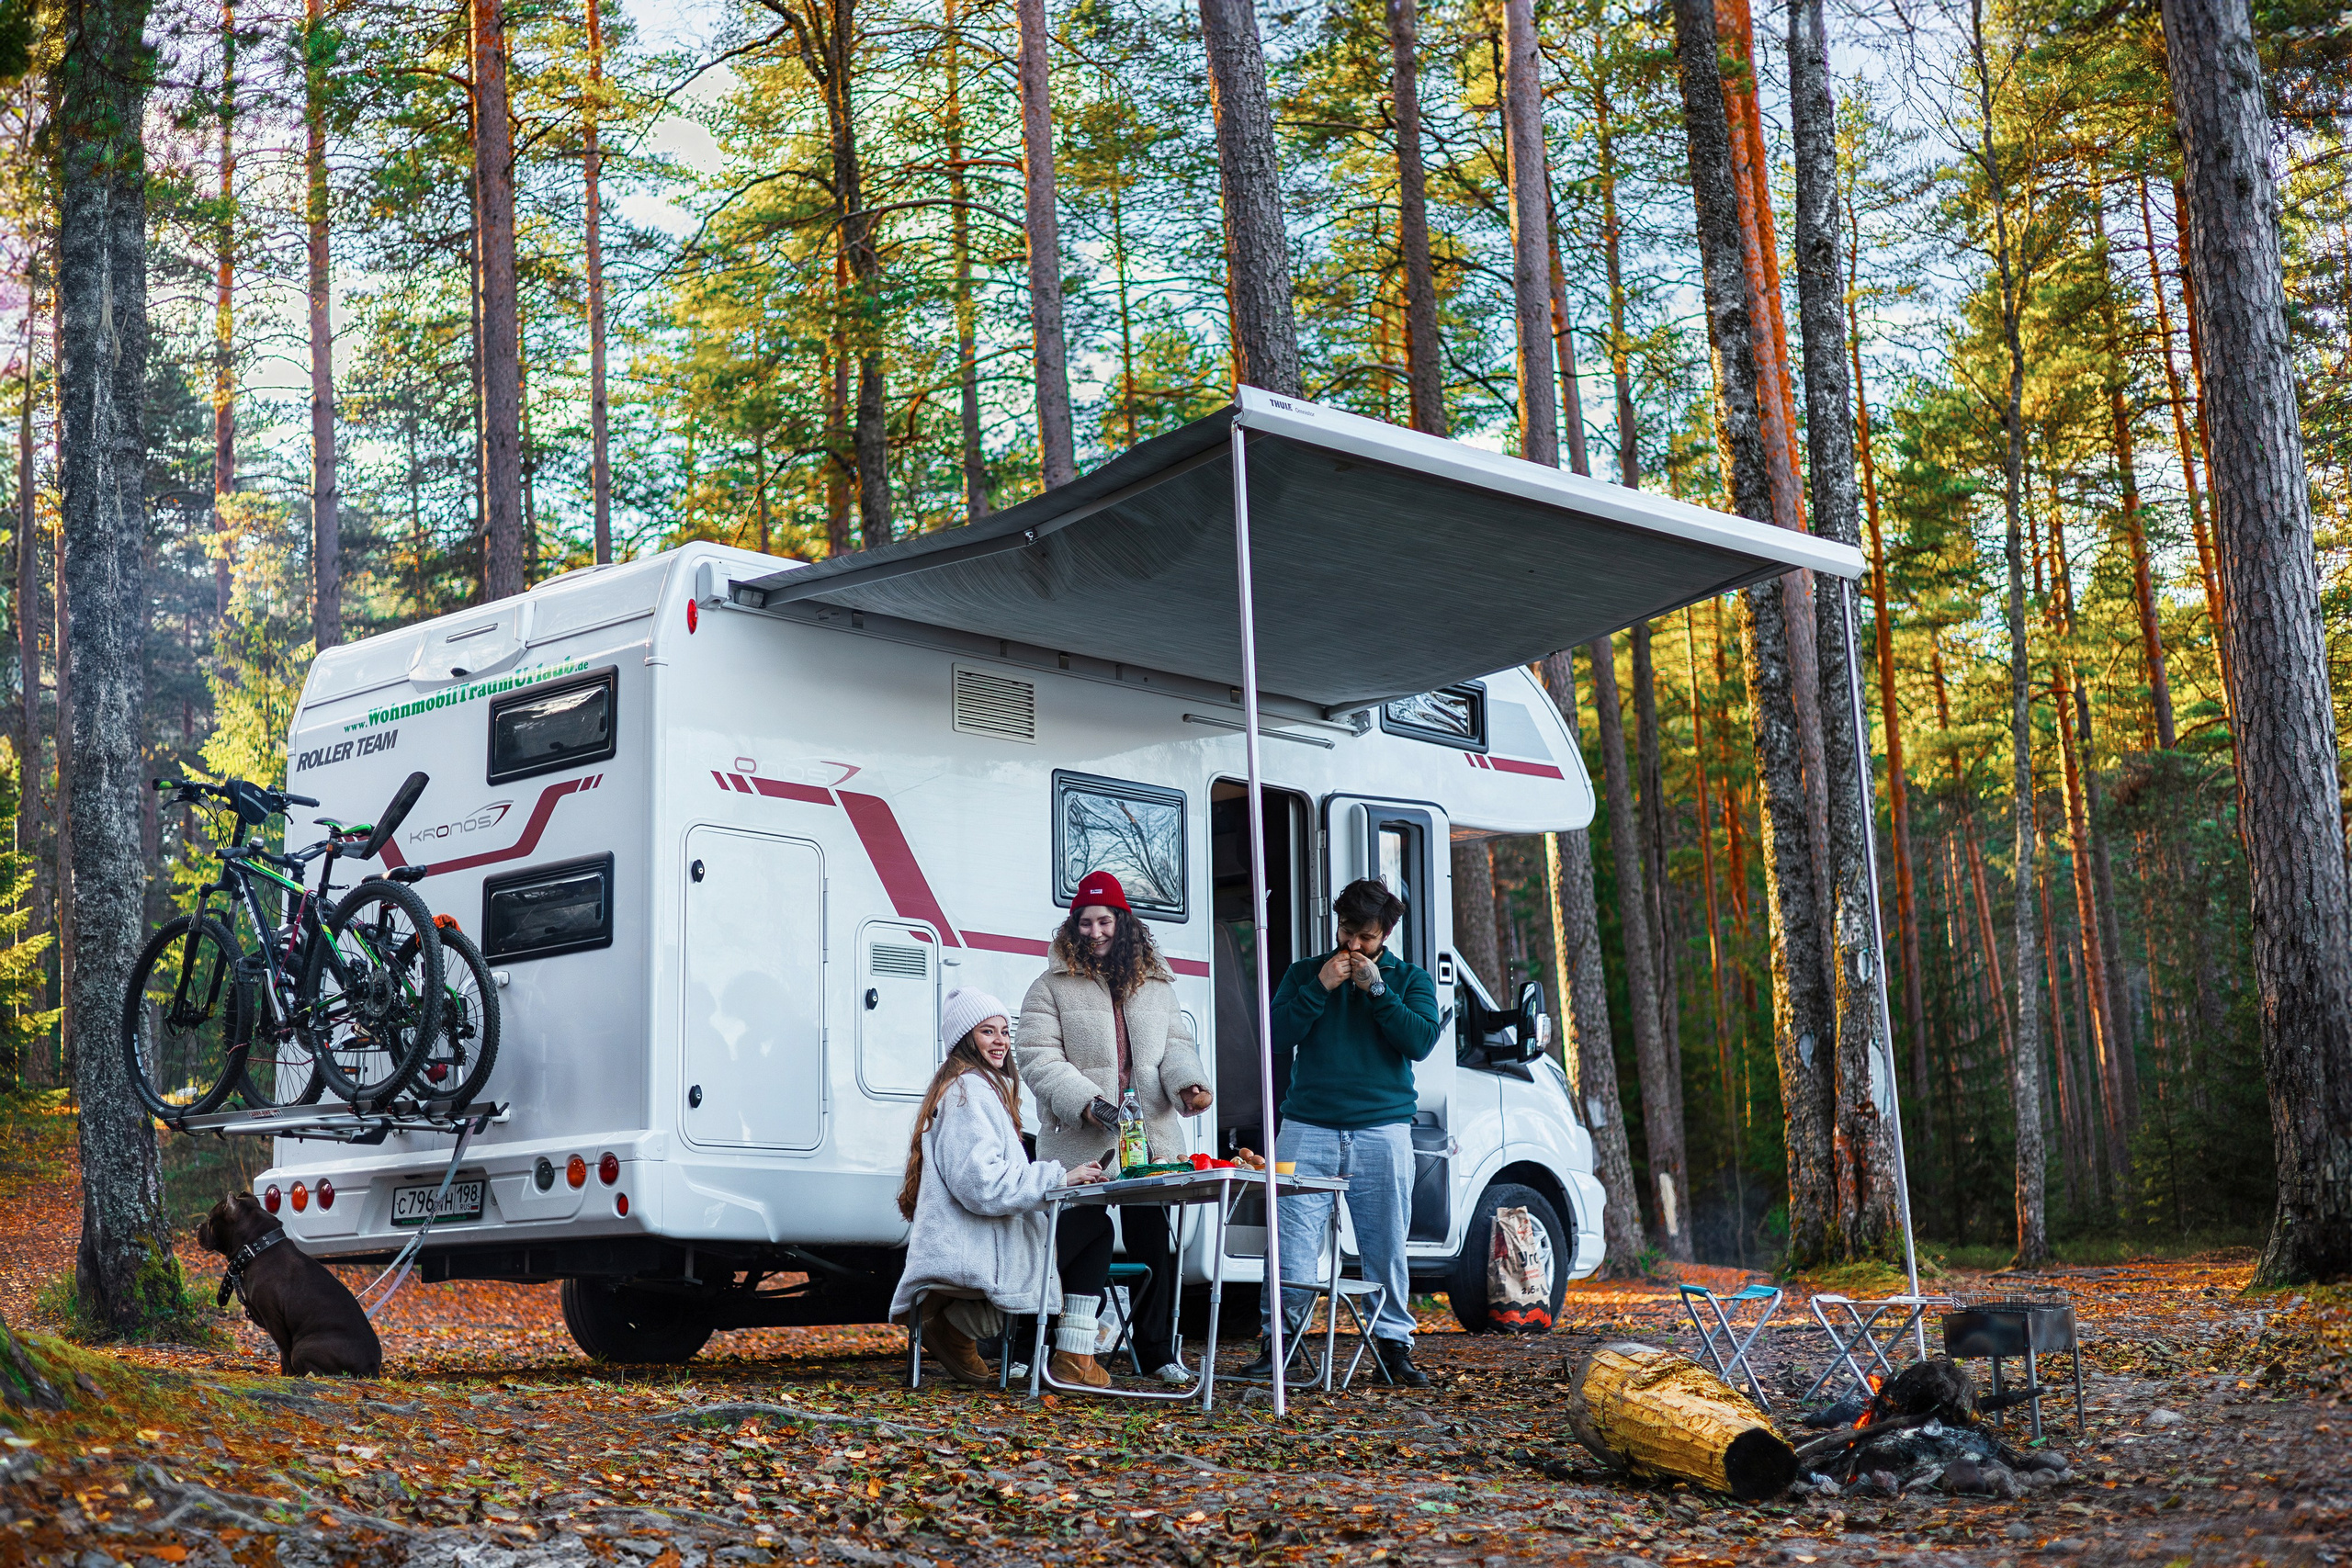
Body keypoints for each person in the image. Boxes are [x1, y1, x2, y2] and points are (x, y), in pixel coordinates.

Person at [1242, 876, 1442, 1388]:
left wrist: (1376, 989)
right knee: (1290, 1242)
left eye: (1366, 937)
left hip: (1384, 1129)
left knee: (1385, 1243)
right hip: (1306, 1126)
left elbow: (1420, 1041)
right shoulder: (1306, 973)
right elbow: (1275, 1034)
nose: (1353, 945)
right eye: (1347, 931)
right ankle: (1279, 1346)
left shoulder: (1411, 979)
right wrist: (1320, 987)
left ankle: (1393, 1347)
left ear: (1387, 935)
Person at [1017, 870, 1214, 1389]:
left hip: (1148, 1137)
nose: (1096, 931)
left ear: (1124, 923)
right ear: (1073, 926)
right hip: (1081, 1137)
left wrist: (1189, 1084)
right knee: (1068, 1240)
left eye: (1105, 920)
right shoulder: (1049, 986)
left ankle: (1156, 1354)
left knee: (1154, 1245)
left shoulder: (1157, 984)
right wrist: (1089, 1103)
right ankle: (1027, 1345)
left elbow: (1175, 1046)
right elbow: (1036, 1056)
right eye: (1086, 922)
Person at [891, 987, 1104, 1389]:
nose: (1002, 1041)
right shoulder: (970, 1091)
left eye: (1005, 1032)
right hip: (976, 1239)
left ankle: (1068, 1354)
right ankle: (1069, 1353)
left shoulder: (975, 1087)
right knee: (1094, 1225)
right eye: (988, 1032)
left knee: (1085, 1228)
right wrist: (1059, 1177)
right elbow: (981, 1184)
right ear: (964, 1039)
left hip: (980, 1233)